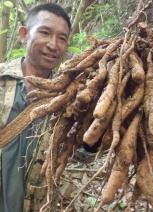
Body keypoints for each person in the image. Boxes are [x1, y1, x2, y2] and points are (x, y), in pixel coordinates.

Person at [0, 3, 71, 212]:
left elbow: (77, 152)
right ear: (24, 34)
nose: (53, 44)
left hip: (36, 204)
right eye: (45, 32)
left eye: (62, 38)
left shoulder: (67, 97)